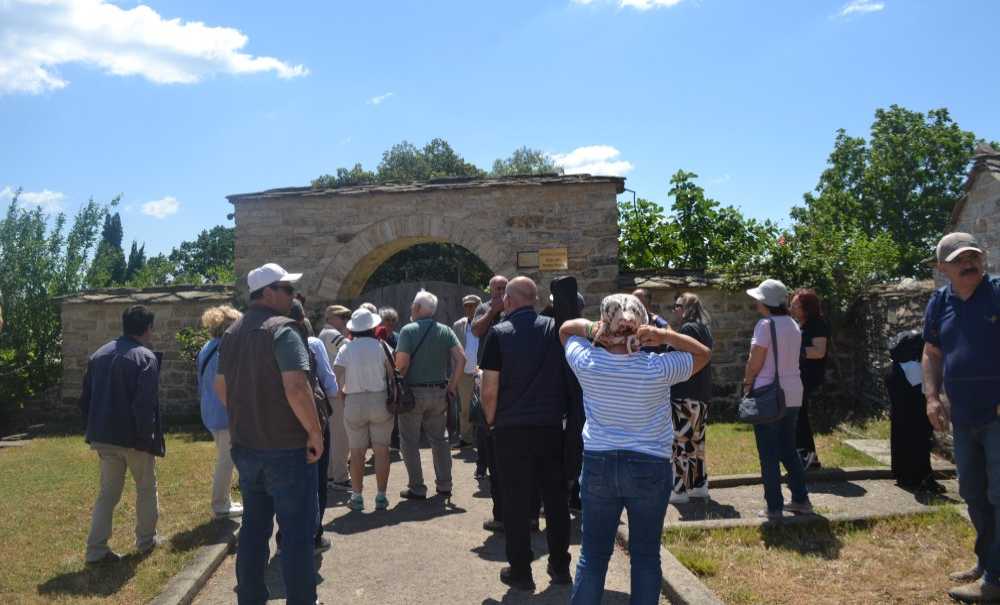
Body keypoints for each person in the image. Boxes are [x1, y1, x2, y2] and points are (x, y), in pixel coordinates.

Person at [560, 293, 710, 604]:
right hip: (650, 465)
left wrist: (593, 330)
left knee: (592, 556)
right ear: (642, 324)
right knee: (645, 556)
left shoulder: (587, 362)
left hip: (599, 462)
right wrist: (665, 336)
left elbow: (565, 329)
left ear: (605, 322)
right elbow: (703, 354)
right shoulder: (659, 368)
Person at [214, 263, 324, 605]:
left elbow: (221, 387)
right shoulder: (284, 330)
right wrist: (315, 432)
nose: (292, 296)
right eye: (287, 289)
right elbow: (296, 387)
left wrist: (250, 413)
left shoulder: (232, 333)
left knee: (254, 528)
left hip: (247, 445)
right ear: (268, 293)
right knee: (296, 534)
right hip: (287, 447)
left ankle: (250, 598)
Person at [922, 233, 1000, 604]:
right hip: (964, 416)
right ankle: (987, 562)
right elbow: (932, 352)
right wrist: (931, 397)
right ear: (943, 268)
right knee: (972, 491)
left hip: (997, 414)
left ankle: (996, 579)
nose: (969, 264)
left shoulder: (997, 293)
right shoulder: (940, 302)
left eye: (973, 257)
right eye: (959, 260)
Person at [480, 276, 572, 591]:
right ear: (533, 299)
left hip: (511, 429)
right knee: (556, 500)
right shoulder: (555, 330)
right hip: (550, 427)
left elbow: (489, 388)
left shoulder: (499, 334)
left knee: (515, 502)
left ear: (508, 300)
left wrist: (490, 420)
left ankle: (521, 571)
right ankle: (560, 566)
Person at [80, 304, 164, 564]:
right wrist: (145, 439)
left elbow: (85, 400)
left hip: (103, 437)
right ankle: (146, 541)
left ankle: (95, 549)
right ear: (148, 328)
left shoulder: (98, 355)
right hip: (133, 439)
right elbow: (144, 405)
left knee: (108, 493)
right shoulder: (145, 357)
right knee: (146, 488)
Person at [742, 278, 812, 521]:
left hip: (769, 393)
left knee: (768, 454)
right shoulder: (793, 324)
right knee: (788, 450)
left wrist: (747, 383)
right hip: (793, 392)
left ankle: (774, 507)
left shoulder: (765, 325)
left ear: (765, 302)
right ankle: (801, 499)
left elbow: (755, 361)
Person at [395, 289, 466, 499]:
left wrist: (396, 385)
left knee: (409, 442)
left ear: (417, 308)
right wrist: (452, 386)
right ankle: (444, 484)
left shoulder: (408, 331)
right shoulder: (445, 330)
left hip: (413, 395)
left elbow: (402, 365)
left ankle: (417, 487)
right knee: (440, 440)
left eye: (412, 305)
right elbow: (461, 359)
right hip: (439, 392)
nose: (411, 308)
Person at [333, 307, 395, 511]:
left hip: (354, 401)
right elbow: (393, 375)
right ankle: (381, 497)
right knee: (382, 450)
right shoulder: (383, 346)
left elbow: (336, 375)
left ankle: (357, 496)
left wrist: (343, 393)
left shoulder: (346, 349)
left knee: (357, 452)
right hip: (380, 400)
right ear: (373, 327)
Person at [288, 300, 336, 553]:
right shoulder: (311, 345)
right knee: (315, 480)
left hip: (277, 424)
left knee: (287, 483)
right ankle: (314, 535)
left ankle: (286, 537)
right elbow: (328, 385)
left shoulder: (261, 345)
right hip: (310, 419)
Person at [197, 305, 244, 519]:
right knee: (226, 460)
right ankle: (220, 505)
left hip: (211, 410)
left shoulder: (208, 347)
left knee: (226, 458)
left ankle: (224, 501)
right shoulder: (223, 350)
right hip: (224, 413)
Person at [667, 292, 714, 504]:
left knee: (680, 442)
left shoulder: (687, 329)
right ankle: (698, 485)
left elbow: (675, 355)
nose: (675, 310)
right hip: (701, 394)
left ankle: (679, 490)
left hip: (685, 392)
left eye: (677, 306)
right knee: (696, 442)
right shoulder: (704, 329)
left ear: (685, 308)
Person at [790, 288, 829, 470]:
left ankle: (807, 455)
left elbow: (819, 351)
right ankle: (808, 456)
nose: (791, 307)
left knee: (800, 414)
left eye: (795, 305)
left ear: (807, 307)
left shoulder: (817, 324)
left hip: (809, 375)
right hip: (800, 374)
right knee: (799, 414)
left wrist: (795, 351)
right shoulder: (802, 323)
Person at [319, 304, 353, 492]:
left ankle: (332, 474)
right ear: (331, 318)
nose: (345, 320)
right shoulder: (331, 334)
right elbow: (351, 348)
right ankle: (340, 476)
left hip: (331, 392)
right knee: (341, 437)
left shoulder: (325, 334)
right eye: (342, 316)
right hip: (337, 394)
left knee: (334, 437)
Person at [452, 294, 483, 450]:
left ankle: (485, 438)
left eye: (473, 305)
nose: (470, 309)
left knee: (485, 405)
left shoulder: (486, 322)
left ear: (479, 306)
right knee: (465, 408)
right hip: (464, 372)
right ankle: (466, 438)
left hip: (484, 372)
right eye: (467, 306)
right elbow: (454, 349)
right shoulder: (458, 325)